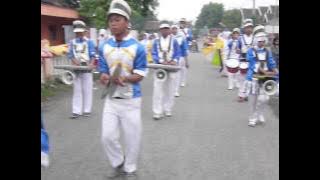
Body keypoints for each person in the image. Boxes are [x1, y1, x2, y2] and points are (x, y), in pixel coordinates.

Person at [99, 0, 147, 178]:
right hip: (111, 100)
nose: (113, 23)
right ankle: (118, 162)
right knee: (107, 137)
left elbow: (140, 74)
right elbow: (103, 71)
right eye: (111, 19)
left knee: (132, 139)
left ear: (127, 22)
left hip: (131, 100)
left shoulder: (138, 47)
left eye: (117, 19)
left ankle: (130, 168)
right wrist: (104, 77)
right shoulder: (104, 46)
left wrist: (125, 78)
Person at [245, 31, 278, 127]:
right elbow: (253, 63)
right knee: (253, 100)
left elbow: (271, 62)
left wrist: (276, 71)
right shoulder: (251, 50)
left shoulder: (267, 51)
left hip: (265, 77)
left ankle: (260, 114)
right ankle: (252, 118)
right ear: (256, 41)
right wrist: (264, 72)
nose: (262, 43)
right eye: (260, 41)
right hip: (253, 77)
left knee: (264, 98)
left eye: (263, 41)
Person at [67, 20, 96, 119]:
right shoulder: (72, 42)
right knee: (77, 90)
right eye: (77, 32)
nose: (78, 34)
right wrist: (75, 62)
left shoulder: (90, 42)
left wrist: (91, 64)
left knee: (87, 89)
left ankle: (87, 110)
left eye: (80, 32)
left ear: (84, 31)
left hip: (87, 68)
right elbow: (70, 55)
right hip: (76, 68)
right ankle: (76, 111)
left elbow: (92, 55)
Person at [152, 22, 180, 119]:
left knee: (170, 89)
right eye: (163, 29)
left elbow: (177, 53)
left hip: (171, 67)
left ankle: (168, 109)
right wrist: (160, 61)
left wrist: (174, 61)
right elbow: (154, 53)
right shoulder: (155, 41)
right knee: (158, 89)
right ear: (160, 31)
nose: (165, 30)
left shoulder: (174, 41)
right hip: (160, 67)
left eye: (167, 29)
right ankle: (157, 111)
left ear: (169, 30)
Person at [238, 19, 254, 102]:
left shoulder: (255, 38)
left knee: (251, 78)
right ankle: (241, 95)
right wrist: (238, 50)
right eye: (247, 27)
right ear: (244, 29)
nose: (249, 29)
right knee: (242, 78)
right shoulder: (240, 38)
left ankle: (247, 95)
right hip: (243, 59)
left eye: (250, 27)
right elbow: (238, 48)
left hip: (252, 60)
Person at [171, 24, 188, 97]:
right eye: (173, 29)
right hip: (170, 59)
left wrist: (187, 61)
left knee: (177, 75)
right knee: (171, 76)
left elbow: (184, 50)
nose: (174, 30)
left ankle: (176, 91)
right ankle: (170, 90)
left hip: (180, 58)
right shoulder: (169, 38)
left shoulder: (181, 38)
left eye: (175, 29)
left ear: (177, 29)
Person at [178, 18, 192, 86]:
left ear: (185, 23)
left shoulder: (187, 30)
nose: (182, 23)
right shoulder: (176, 29)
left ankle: (183, 81)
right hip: (178, 49)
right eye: (181, 22)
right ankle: (178, 80)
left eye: (183, 22)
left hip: (185, 48)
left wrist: (185, 33)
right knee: (177, 66)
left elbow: (190, 38)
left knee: (184, 66)